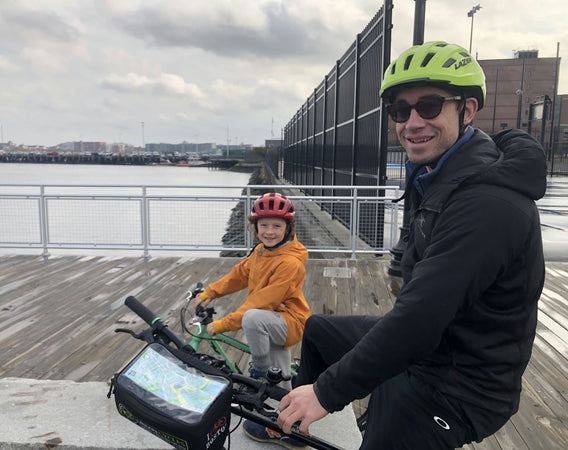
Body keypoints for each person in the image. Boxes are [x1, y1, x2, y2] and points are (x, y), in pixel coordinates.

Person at [276, 41, 547, 449]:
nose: (412, 122)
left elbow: (420, 319)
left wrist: (326, 392)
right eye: (401, 111)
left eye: (430, 106)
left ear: (468, 110)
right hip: (434, 349)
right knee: (317, 330)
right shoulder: (436, 171)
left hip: (461, 386)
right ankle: (297, 426)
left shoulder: (487, 203)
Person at [195, 192, 311, 448]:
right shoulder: (261, 251)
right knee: (280, 378)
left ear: (288, 228)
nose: (269, 231)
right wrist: (210, 292)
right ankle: (289, 429)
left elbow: (262, 303)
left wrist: (223, 324)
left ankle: (258, 369)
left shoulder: (290, 262)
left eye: (277, 226)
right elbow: (238, 276)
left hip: (289, 320)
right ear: (255, 227)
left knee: (252, 318)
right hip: (273, 318)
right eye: (264, 225)